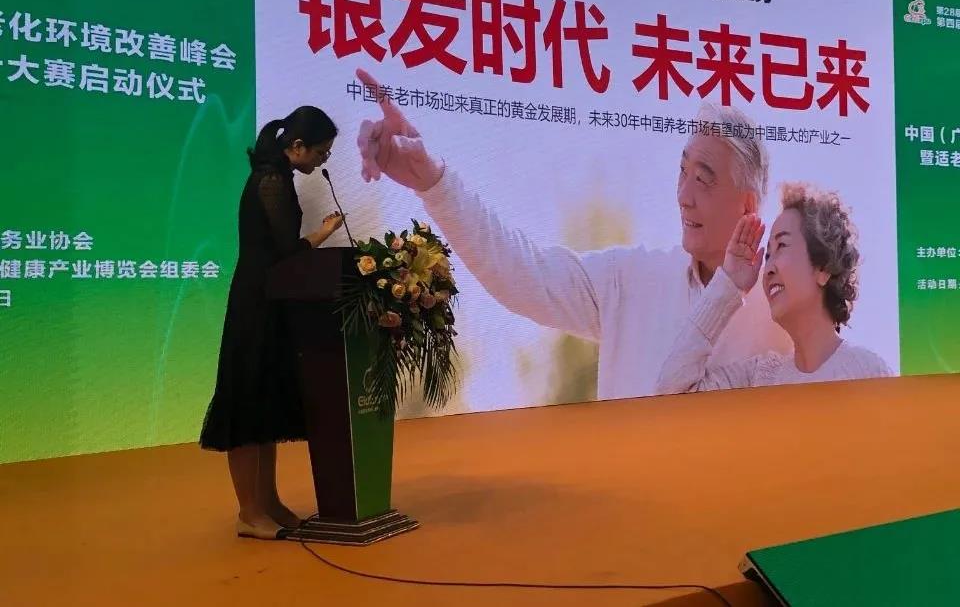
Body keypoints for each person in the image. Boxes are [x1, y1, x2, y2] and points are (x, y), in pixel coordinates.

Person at [355, 68, 791, 400]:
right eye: (682, 172)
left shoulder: (786, 311)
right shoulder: (630, 281)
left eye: (704, 179)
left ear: (748, 205)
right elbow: (523, 274)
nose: (683, 196)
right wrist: (433, 182)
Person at [200, 106, 345, 539]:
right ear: (297, 146)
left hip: (271, 300)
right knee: (247, 406)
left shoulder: (279, 176)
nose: (323, 160)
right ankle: (249, 512)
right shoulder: (270, 180)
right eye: (321, 152)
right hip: (256, 303)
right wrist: (322, 234)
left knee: (264, 406)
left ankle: (269, 502)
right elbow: (284, 252)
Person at [655, 183, 892, 393]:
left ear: (823, 268)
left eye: (782, 246)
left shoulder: (867, 373)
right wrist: (729, 283)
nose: (767, 268)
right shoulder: (761, 377)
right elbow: (673, 392)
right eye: (767, 255)